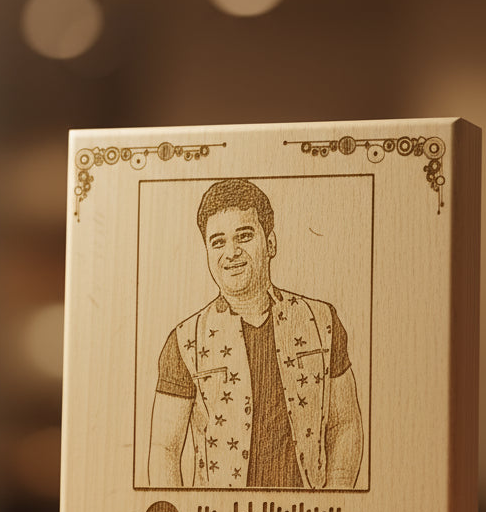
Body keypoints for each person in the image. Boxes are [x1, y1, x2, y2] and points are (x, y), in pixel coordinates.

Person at [148, 178, 363, 489]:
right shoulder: (184, 341)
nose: (231, 252)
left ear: (270, 243)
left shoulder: (321, 320)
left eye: (244, 236)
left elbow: (345, 424)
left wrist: (334, 499)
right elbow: (165, 450)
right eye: (218, 241)